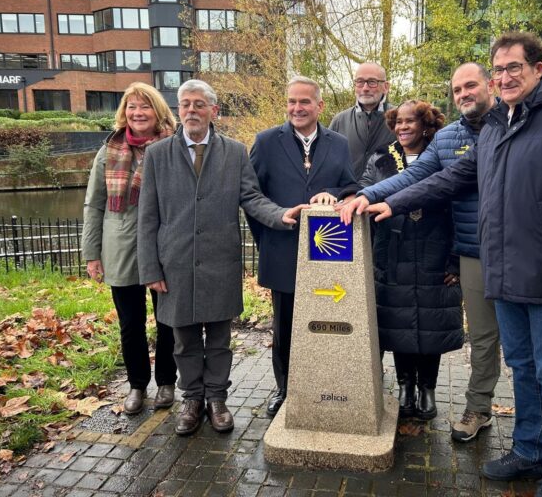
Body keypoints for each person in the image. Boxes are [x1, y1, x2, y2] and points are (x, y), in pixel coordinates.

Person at [355, 32, 542, 497]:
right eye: (500, 69)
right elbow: (450, 177)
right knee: (522, 366)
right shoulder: (496, 126)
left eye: (514, 67)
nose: (505, 77)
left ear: (537, 69)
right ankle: (528, 450)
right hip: (500, 270)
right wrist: (386, 200)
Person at [340, 63, 499, 441]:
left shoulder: (499, 129)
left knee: (461, 332)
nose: (404, 127)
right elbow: (411, 179)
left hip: (450, 250)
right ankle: (437, 396)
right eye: (457, 89)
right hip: (408, 253)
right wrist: (365, 196)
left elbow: (441, 184)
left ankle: (450, 396)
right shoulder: (425, 148)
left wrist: (450, 258)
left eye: (470, 86)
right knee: (422, 328)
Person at [137, 79, 306, 436]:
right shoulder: (157, 155)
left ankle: (216, 398)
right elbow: (147, 216)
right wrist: (150, 267)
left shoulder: (234, 152)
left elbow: (253, 198)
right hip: (176, 263)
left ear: (214, 110)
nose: (191, 111)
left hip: (219, 261)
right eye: (185, 104)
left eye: (199, 104)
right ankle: (192, 399)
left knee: (218, 338)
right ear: (178, 110)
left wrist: (282, 215)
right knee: (183, 340)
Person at [340, 100, 462, 420]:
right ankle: (406, 386)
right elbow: (365, 191)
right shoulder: (381, 157)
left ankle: (428, 389)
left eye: (411, 122)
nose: (403, 127)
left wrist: (456, 261)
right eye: (398, 122)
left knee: (430, 324)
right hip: (392, 251)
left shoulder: (441, 156)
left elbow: (459, 208)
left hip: (434, 251)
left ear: (425, 126)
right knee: (398, 324)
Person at [248, 76, 356, 418]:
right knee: (285, 327)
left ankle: (326, 384)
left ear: (319, 106)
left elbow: (351, 189)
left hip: (329, 256)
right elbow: (252, 197)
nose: (297, 108)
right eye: (292, 101)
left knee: (327, 322)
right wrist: (270, 236)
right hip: (282, 250)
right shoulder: (265, 142)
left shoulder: (339, 143)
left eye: (305, 102)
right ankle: (286, 389)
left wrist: (334, 196)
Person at [81, 82, 178, 416]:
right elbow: (94, 204)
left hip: (163, 247)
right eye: (132, 107)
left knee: (168, 320)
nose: (138, 113)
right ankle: (137, 385)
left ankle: (167, 381)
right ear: (124, 112)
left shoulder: (173, 147)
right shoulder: (108, 150)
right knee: (130, 324)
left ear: (158, 112)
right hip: (120, 246)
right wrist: (92, 253)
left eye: (145, 106)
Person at [329, 62, 395, 179]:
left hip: (387, 195)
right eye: (360, 82)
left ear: (386, 87)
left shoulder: (400, 118)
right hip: (347, 194)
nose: (365, 88)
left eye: (372, 82)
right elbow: (327, 162)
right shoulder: (340, 120)